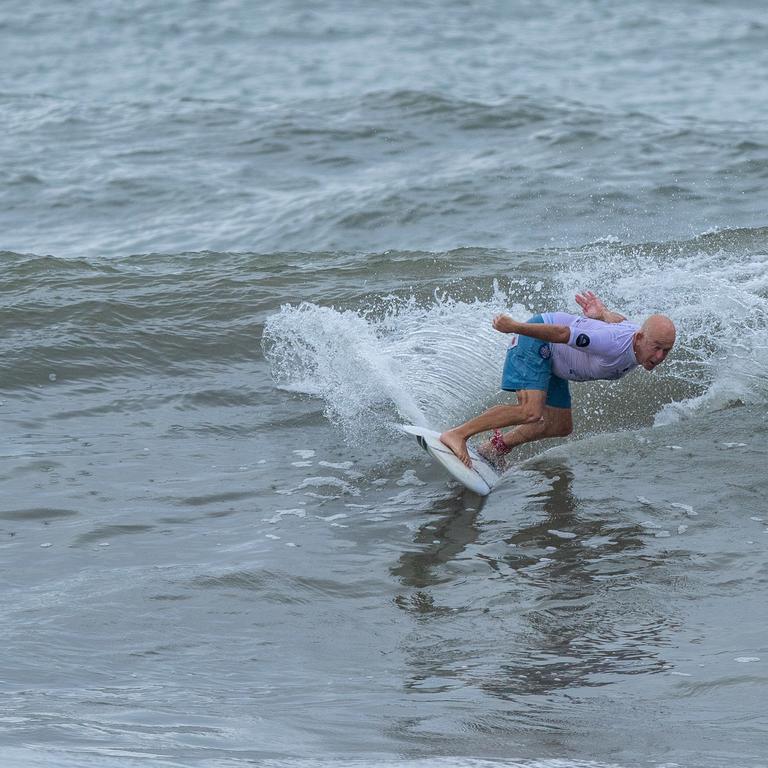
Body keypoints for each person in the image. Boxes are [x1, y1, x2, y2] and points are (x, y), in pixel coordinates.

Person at [439, 291, 676, 469]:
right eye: (656, 348)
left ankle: (494, 448)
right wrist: (514, 326)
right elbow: (563, 334)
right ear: (641, 338)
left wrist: (602, 313)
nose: (659, 356)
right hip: (537, 340)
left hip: (557, 364)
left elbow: (620, 321)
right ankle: (458, 434)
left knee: (560, 425)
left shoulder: (637, 339)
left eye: (666, 350)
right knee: (530, 411)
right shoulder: (611, 343)